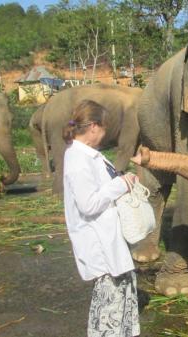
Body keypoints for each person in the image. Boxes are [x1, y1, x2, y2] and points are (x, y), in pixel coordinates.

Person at [62, 100, 140, 337]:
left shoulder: (90, 155)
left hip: (110, 239)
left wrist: (121, 181)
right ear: (94, 127)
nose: (105, 134)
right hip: (99, 244)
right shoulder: (77, 158)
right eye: (104, 129)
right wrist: (119, 185)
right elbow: (89, 204)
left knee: (120, 300)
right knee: (109, 307)